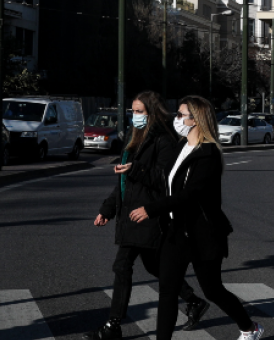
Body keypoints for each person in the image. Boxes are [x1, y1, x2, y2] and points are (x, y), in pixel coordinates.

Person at [130, 95, 264, 340]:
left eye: (181, 115)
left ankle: (249, 328)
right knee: (167, 292)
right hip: (176, 231)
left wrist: (151, 209)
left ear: (197, 120)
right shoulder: (182, 147)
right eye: (177, 114)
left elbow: (190, 194)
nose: (176, 119)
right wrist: (135, 170)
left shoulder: (208, 154)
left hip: (202, 234)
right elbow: (167, 182)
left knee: (212, 290)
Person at [83, 91, 209, 340]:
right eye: (133, 111)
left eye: (139, 111)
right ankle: (193, 301)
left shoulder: (164, 141)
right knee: (154, 266)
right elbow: (123, 182)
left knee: (122, 265)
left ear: (152, 113)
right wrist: (107, 209)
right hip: (130, 211)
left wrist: (136, 169)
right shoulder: (134, 138)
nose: (135, 116)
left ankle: (113, 326)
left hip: (147, 213)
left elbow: (165, 179)